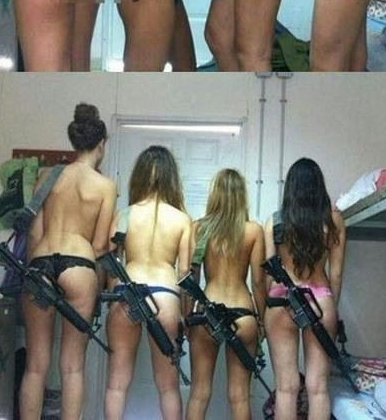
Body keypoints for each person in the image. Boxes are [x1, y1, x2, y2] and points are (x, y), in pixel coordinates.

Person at [20, 103, 115, 420]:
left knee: (35, 365)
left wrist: (36, 271)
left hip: (41, 262)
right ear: (101, 144)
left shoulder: (48, 175)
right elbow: (100, 245)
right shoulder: (105, 186)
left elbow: (35, 233)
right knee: (72, 366)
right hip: (79, 264)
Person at [104, 146, 191, 420]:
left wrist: (111, 296)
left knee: (117, 384)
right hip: (165, 294)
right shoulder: (182, 220)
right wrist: (184, 314)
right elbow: (185, 274)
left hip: (126, 292)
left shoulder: (125, 215)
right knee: (168, 387)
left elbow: (110, 262)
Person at [264, 158, 346, 420]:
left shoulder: (274, 221)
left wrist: (266, 306)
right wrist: (331, 306)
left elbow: (269, 271)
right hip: (320, 299)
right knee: (318, 388)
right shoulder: (333, 219)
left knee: (286, 388)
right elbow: (336, 273)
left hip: (281, 300)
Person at [185, 168, 266, 420]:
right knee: (240, 396)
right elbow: (259, 282)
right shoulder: (253, 231)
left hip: (207, 313)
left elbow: (190, 279)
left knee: (199, 393)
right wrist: (262, 321)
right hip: (243, 313)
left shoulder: (199, 228)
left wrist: (186, 317)